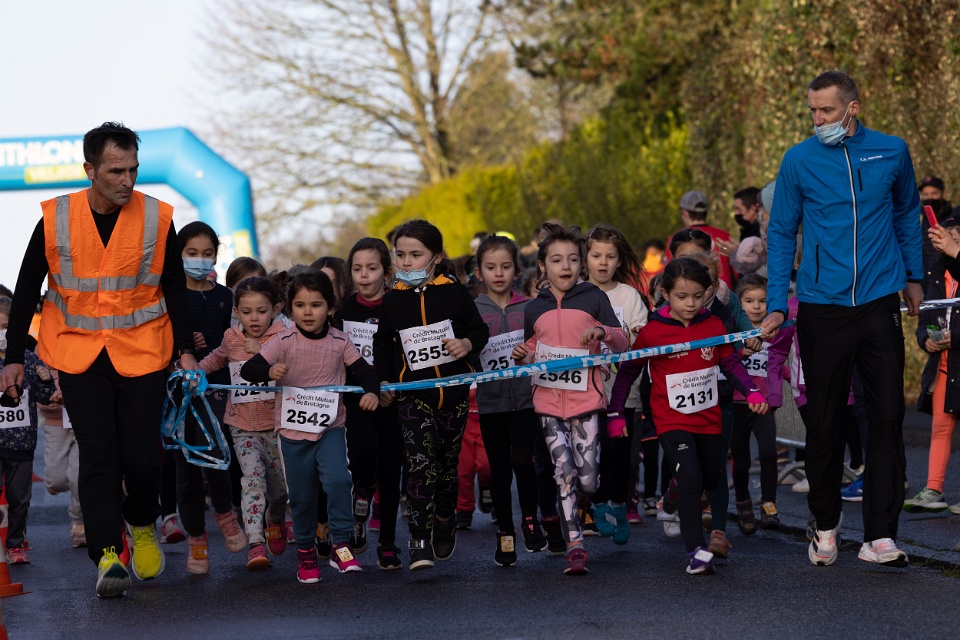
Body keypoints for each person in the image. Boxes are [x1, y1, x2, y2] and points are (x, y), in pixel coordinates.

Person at [0, 122, 198, 598]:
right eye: (115, 171)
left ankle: (142, 524)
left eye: (133, 170)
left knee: (142, 460)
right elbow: (26, 287)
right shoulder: (56, 217)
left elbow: (174, 287)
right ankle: (107, 554)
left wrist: (187, 352)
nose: (127, 180)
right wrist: (13, 358)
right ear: (89, 169)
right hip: (79, 354)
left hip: (143, 352)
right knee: (99, 456)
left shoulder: (156, 218)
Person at [762, 70, 922, 568]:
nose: (817, 119)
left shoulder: (892, 151)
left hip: (878, 302)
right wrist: (776, 302)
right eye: (812, 110)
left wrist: (913, 275)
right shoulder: (798, 159)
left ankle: (880, 536)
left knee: (888, 416)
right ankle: (826, 525)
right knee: (825, 422)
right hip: (821, 307)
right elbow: (782, 232)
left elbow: (906, 213)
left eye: (826, 110)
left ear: (852, 108)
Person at [609, 258, 768, 575]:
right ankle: (697, 551)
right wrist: (616, 413)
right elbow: (627, 372)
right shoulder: (653, 331)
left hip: (708, 418)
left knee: (711, 479)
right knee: (692, 478)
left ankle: (673, 492)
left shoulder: (714, 325)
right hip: (672, 420)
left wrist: (751, 391)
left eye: (698, 296)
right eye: (682, 296)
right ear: (666, 294)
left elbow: (730, 362)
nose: (691, 304)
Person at [240, 270, 381, 584]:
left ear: (330, 308)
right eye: (300, 305)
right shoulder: (283, 341)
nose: (307, 312)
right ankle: (305, 551)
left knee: (338, 481)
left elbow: (364, 371)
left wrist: (372, 392)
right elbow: (250, 369)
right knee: (303, 497)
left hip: (330, 429)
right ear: (291, 309)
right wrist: (269, 370)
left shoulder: (340, 341)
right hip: (292, 434)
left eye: (316, 305)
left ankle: (341, 545)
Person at [372, 219, 490, 570]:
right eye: (400, 255)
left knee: (447, 467)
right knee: (421, 465)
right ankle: (419, 540)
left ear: (436, 257)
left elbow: (479, 330)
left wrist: (466, 344)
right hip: (414, 397)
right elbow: (383, 344)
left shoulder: (454, 293)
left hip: (453, 395)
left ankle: (444, 517)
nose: (406, 262)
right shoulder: (393, 299)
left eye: (415, 255)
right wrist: (385, 381)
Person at [511, 223, 628, 576]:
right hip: (548, 404)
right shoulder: (533, 308)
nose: (566, 266)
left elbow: (621, 341)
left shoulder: (594, 298)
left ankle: (588, 501)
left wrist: (602, 332)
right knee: (563, 474)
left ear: (581, 263)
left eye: (573, 259)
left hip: (586, 403)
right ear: (542, 266)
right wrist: (523, 354)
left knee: (587, 481)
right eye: (557, 260)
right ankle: (575, 544)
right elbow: (533, 345)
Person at [198, 276, 290, 571]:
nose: (254, 318)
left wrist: (260, 353)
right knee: (252, 480)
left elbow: (295, 368)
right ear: (236, 311)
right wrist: (197, 371)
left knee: (280, 489)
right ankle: (255, 541)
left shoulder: (285, 336)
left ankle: (276, 517)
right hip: (241, 425)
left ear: (275, 309)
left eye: (261, 311)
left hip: (276, 426)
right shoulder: (231, 337)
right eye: (247, 312)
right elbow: (218, 357)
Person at [175, 221, 248, 574]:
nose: (199, 260)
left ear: (216, 256)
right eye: (191, 253)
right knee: (188, 466)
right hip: (179, 393)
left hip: (219, 388)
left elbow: (235, 339)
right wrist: (182, 346)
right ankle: (196, 539)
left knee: (218, 453)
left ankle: (225, 513)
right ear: (178, 256)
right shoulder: (170, 296)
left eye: (207, 253)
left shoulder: (225, 297)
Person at [472, 234, 547, 566]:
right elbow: (465, 353)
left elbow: (543, 343)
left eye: (505, 266)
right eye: (491, 267)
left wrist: (528, 351)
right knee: (498, 470)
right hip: (491, 403)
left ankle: (530, 519)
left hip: (527, 399)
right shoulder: (472, 311)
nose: (498, 273)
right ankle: (505, 532)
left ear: (517, 270)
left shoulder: (529, 307)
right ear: (479, 272)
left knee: (523, 460)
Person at [333, 237, 405, 571]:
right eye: (357, 268)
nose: (364, 275)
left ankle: (387, 542)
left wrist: (391, 384)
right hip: (356, 398)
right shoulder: (343, 311)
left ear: (386, 272)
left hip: (392, 398)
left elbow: (408, 351)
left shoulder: (399, 306)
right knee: (363, 452)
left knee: (391, 470)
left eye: (372, 268)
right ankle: (362, 491)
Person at [583, 224, 648, 539]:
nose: (603, 262)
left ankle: (620, 504)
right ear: (585, 258)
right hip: (584, 392)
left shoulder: (629, 295)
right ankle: (594, 508)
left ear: (619, 260)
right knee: (590, 455)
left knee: (620, 455)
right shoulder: (576, 294)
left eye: (610, 256)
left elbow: (643, 332)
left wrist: (635, 333)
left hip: (623, 393)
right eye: (596, 255)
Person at [908, 217, 960, 513]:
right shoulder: (936, 271)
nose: (946, 243)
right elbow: (925, 316)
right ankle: (933, 490)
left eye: (953, 238)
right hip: (942, 364)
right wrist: (924, 339)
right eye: (943, 238)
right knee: (940, 427)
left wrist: (957, 337)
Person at [0, 297, 56, 564]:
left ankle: (15, 545)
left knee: (19, 498)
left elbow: (46, 398)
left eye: (5, 326)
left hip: (22, 442)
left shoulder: (29, 359)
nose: (1, 332)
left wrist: (45, 382)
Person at [730, 274, 783, 531]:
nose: (756, 306)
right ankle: (743, 504)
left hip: (764, 405)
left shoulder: (775, 334)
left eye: (762, 301)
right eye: (749, 301)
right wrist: (741, 351)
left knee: (769, 454)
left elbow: (779, 366)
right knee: (740, 460)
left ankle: (769, 503)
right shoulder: (732, 333)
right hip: (737, 404)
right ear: (739, 303)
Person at [666, 191, 735, 288]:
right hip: (726, 292)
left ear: (685, 213)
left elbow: (670, 273)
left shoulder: (678, 239)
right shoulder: (724, 236)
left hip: (691, 293)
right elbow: (737, 272)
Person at [918, 175, 953, 289]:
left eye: (934, 193)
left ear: (944, 193)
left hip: (949, 280)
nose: (930, 198)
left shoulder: (954, 218)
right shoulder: (917, 219)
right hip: (924, 282)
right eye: (926, 194)